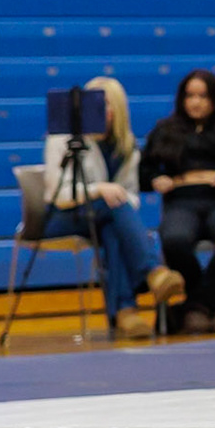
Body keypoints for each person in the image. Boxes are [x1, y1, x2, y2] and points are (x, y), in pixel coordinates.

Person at [38, 77, 180, 338]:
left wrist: (115, 195)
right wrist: (100, 189)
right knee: (112, 207)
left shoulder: (126, 146)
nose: (97, 109)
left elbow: (132, 195)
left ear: (117, 110)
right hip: (62, 217)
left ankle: (126, 312)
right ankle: (151, 271)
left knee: (112, 228)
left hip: (104, 216)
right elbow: (59, 194)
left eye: (104, 104)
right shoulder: (62, 138)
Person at [142, 70, 215, 332]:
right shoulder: (165, 129)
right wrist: (156, 179)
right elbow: (144, 168)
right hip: (181, 201)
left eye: (203, 96)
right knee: (174, 239)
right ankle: (210, 305)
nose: (196, 102)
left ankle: (196, 307)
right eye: (190, 96)